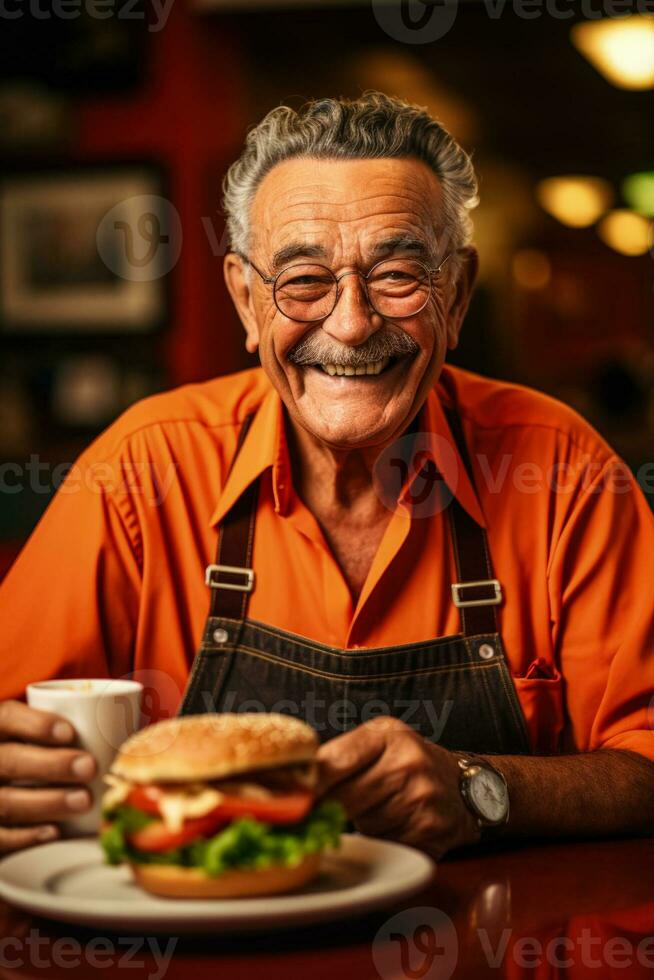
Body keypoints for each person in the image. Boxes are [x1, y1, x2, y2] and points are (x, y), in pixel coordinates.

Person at [1, 92, 653, 859]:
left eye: (398, 275)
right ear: (245, 299)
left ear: (458, 292)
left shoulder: (563, 470)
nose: (350, 324)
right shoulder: (141, 469)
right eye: (303, 280)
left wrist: (484, 788)